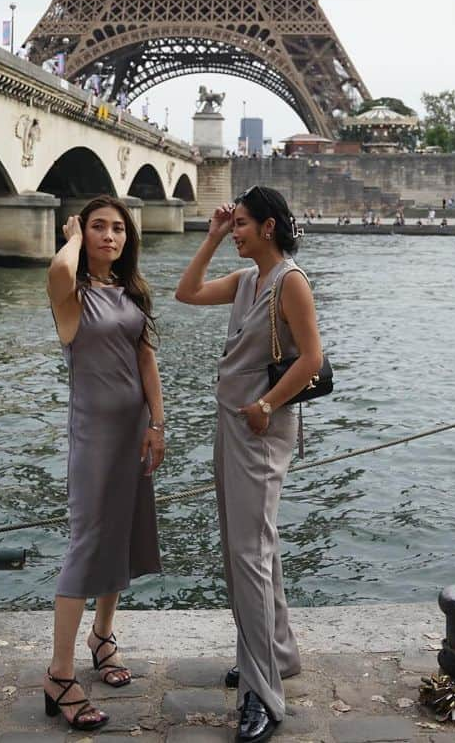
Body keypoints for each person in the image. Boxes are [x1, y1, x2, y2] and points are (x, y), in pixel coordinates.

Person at [176, 185, 324, 743]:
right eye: (230, 223)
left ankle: (262, 693)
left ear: (268, 226)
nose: (233, 230)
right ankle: (277, 653)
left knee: (248, 556)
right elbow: (185, 292)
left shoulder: (290, 282)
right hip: (233, 422)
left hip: (260, 427)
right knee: (255, 546)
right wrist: (210, 238)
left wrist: (265, 405)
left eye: (239, 224)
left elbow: (312, 357)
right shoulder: (246, 281)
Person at [43, 196, 165, 730]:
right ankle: (60, 673)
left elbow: (146, 358)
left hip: (133, 433)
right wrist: (70, 237)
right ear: (83, 233)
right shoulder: (71, 296)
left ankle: (103, 635)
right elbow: (57, 268)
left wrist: (159, 423)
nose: (109, 237)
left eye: (118, 228)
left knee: (122, 535)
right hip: (93, 437)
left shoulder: (129, 290)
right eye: (98, 227)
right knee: (87, 542)